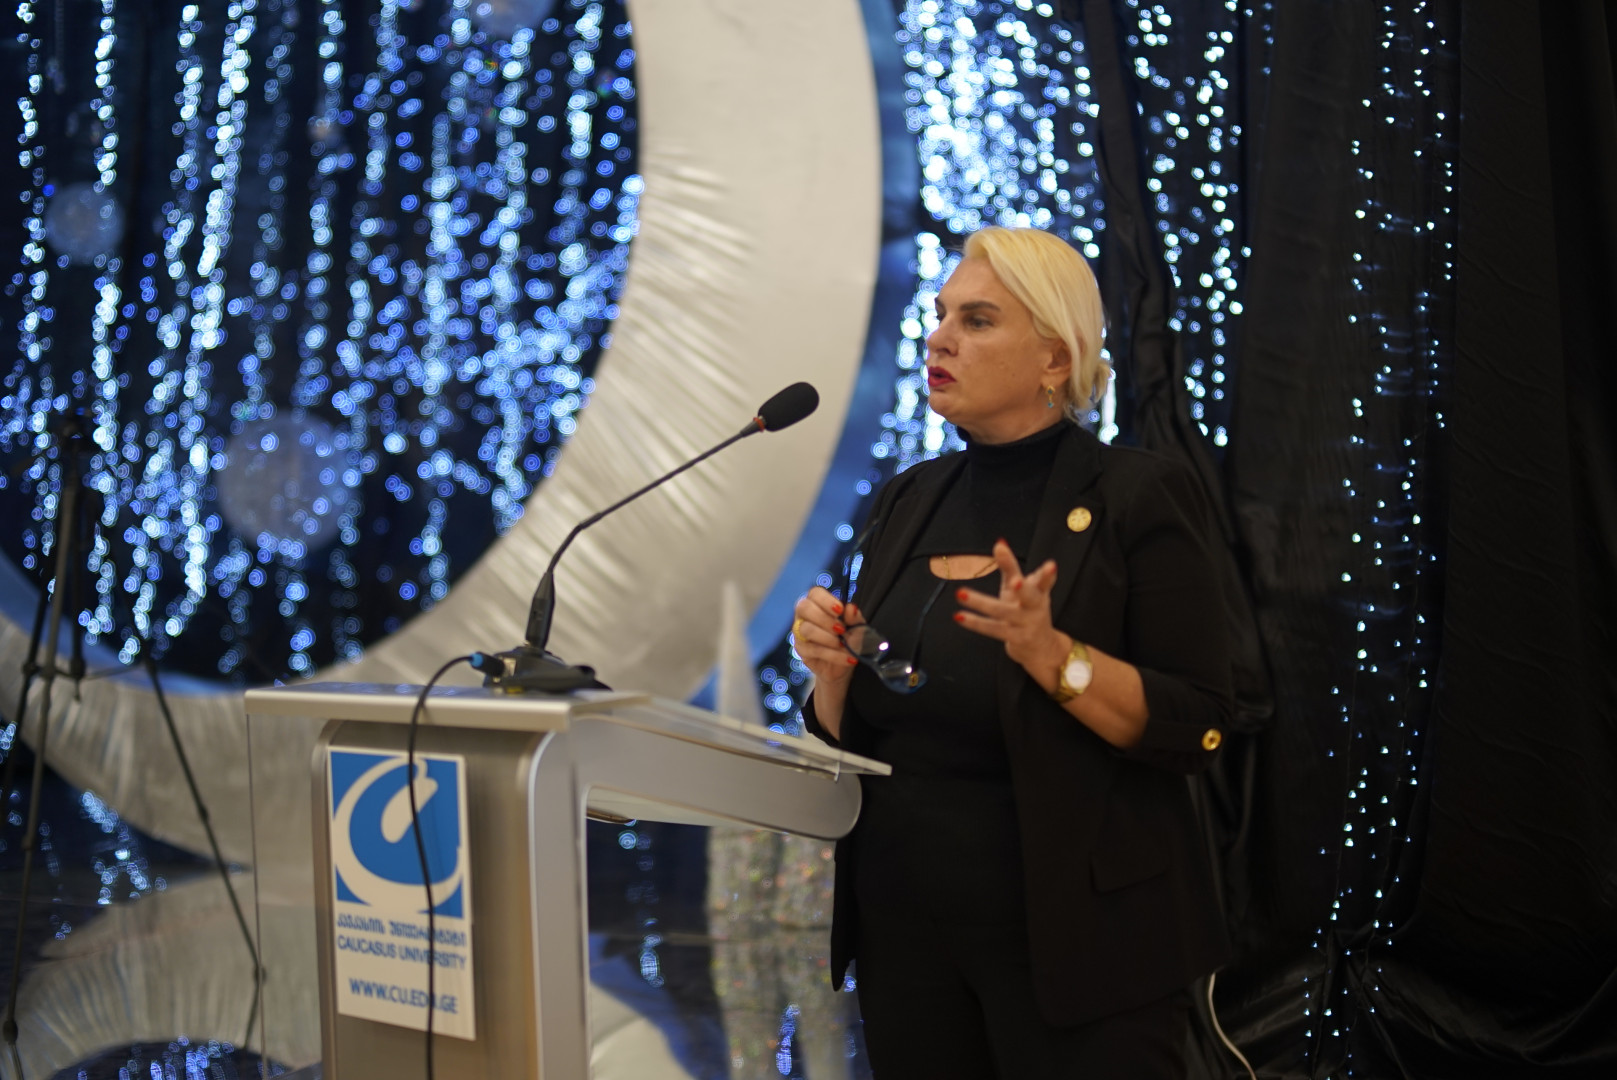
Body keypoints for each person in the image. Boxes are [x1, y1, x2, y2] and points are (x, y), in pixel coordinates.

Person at [792, 226, 1233, 1078]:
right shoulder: (910, 498)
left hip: (1077, 945)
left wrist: (1056, 657)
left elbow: (1200, 722)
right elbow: (867, 727)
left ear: (1054, 360)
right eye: (940, 314)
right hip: (905, 936)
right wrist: (832, 676)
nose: (939, 338)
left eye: (977, 320)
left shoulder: (1138, 496)